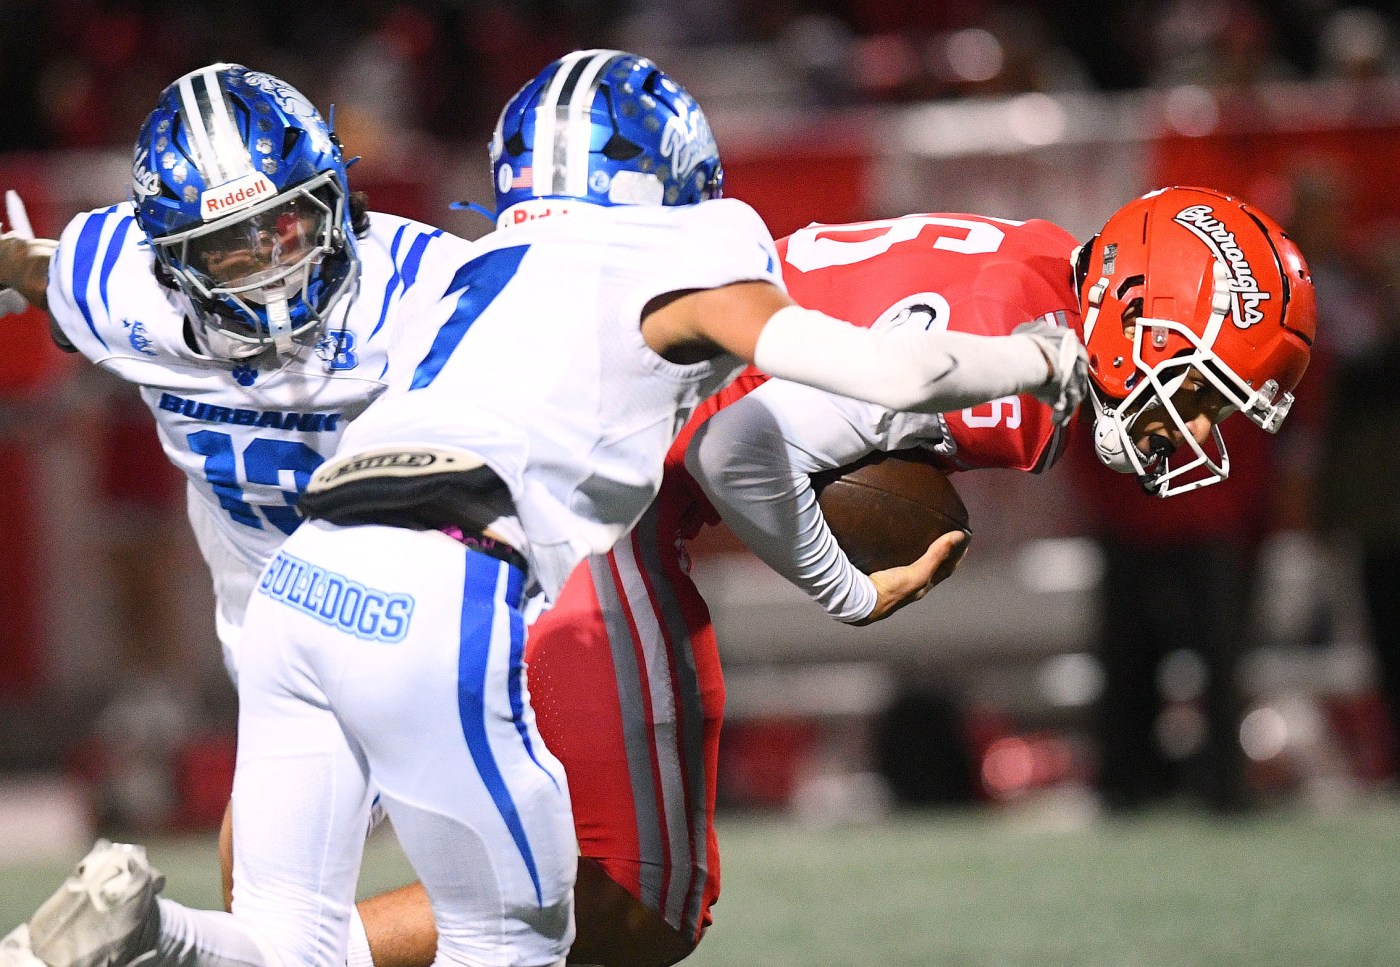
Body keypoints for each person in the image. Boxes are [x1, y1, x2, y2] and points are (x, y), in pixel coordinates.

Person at [2, 49, 1086, 967]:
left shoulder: (457, 270)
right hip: (428, 589)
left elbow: (734, 444)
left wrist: (842, 584)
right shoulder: (687, 257)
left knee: (291, 946)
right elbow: (883, 376)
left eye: (287, 231)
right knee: (517, 932)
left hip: (301, 588)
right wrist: (1041, 355)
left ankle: (148, 932)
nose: (273, 271)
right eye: (232, 250)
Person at [293, 189, 1319, 967]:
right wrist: (844, 588)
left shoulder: (1040, 264)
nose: (1191, 428)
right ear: (1134, 307)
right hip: (580, 483)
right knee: (637, 892)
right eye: (1193, 388)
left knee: (546, 864)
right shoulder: (1008, 363)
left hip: (520, 441)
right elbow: (736, 447)